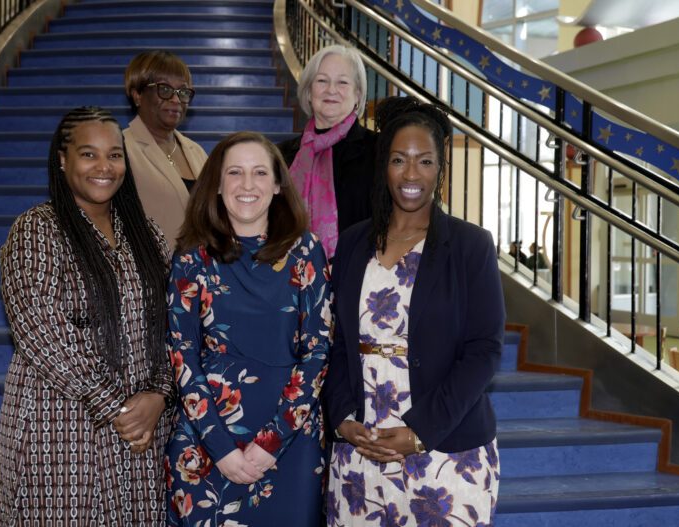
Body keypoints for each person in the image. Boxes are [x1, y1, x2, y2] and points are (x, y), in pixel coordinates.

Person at [323, 97, 504, 526]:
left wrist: (419, 432)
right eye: (398, 160)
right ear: (383, 166)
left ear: (440, 169)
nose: (410, 174)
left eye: (424, 161)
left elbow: (484, 350)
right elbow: (338, 343)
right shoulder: (352, 243)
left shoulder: (471, 246)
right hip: (360, 451)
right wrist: (343, 420)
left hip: (446, 452)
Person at [0, 107, 175, 525]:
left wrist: (159, 394)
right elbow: (39, 329)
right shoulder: (37, 229)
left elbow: (172, 322)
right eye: (89, 154)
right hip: (61, 426)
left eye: (115, 155)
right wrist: (117, 408)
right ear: (63, 160)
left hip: (142, 431)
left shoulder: (147, 234)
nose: (104, 167)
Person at [164, 131, 332, 526]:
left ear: (277, 185)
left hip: (291, 441)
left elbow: (318, 352)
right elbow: (182, 356)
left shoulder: (306, 251)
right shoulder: (190, 259)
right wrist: (220, 447)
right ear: (217, 185)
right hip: (205, 443)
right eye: (235, 172)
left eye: (259, 173)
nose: (247, 184)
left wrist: (270, 443)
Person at [278, 44, 377, 258]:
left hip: (358, 273)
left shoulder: (379, 151)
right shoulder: (282, 155)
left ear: (357, 94)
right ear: (309, 92)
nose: (331, 90)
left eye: (342, 82)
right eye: (322, 80)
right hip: (289, 273)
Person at [124, 50, 208, 249]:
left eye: (183, 92)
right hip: (147, 266)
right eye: (164, 89)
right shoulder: (119, 149)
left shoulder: (197, 152)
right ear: (137, 95)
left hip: (199, 265)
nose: (176, 100)